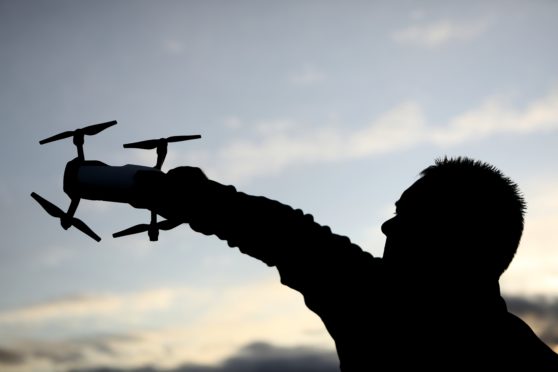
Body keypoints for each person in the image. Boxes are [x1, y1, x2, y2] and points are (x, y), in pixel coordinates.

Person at [132, 156, 558, 371]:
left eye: (410, 215)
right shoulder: (524, 354)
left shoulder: (380, 305)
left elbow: (283, 232)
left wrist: (190, 196)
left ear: (459, 236)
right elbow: (285, 232)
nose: (388, 226)